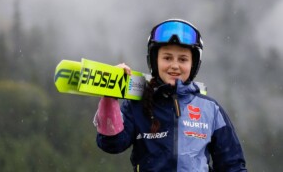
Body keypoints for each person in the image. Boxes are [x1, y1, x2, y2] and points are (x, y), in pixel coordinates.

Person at [93, 19, 247, 171]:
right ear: (154, 61)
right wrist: (110, 94)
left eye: (183, 59)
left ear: (193, 64)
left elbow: (232, 166)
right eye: (167, 58)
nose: (175, 65)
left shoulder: (210, 110)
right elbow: (111, 144)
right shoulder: (137, 105)